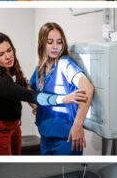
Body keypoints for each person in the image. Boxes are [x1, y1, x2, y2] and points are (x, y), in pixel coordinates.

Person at [0, 33, 86, 155]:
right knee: (5, 165)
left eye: (9, 50)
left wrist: (36, 106)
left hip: (14, 123)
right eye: (1, 54)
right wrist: (63, 99)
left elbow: (25, 87)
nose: (8, 56)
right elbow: (31, 95)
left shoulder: (11, 67)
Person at [29, 22, 93, 155]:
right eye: (50, 42)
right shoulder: (40, 69)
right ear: (42, 44)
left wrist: (78, 125)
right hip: (45, 136)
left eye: (59, 42)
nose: (55, 46)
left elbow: (88, 88)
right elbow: (30, 91)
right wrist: (36, 107)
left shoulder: (64, 64)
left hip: (67, 137)